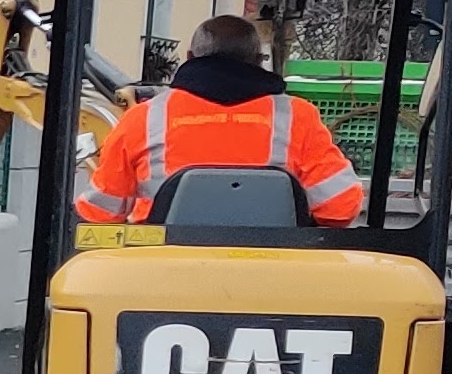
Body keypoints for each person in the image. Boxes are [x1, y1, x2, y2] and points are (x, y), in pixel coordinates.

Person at [76, 14, 364, 228]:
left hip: (162, 273)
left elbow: (99, 213)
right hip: (273, 275)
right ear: (259, 59)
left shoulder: (144, 117)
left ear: (189, 58)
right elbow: (339, 207)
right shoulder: (297, 118)